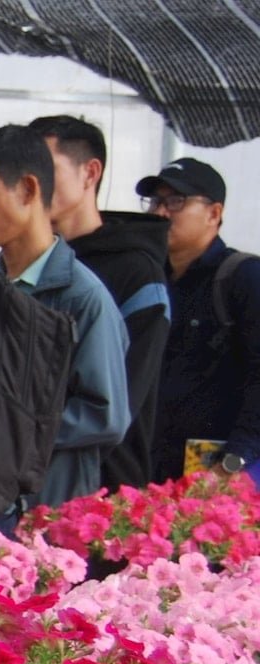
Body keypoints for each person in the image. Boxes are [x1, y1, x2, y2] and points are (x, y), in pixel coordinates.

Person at [0, 126, 129, 511]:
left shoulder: (84, 298)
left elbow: (107, 415)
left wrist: (6, 431)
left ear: (29, 190)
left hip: (52, 511)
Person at [28, 115, 171, 491]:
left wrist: (14, 432)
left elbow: (118, 404)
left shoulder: (137, 273)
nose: (32, 183)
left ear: (90, 172)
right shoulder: (26, 265)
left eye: (47, 168)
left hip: (100, 493)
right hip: (25, 479)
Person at [137, 157, 260, 484]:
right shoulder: (150, 280)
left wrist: (235, 460)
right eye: (156, 202)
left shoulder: (243, 276)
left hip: (224, 471)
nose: (161, 213)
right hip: (155, 468)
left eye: (176, 201)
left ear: (214, 213)